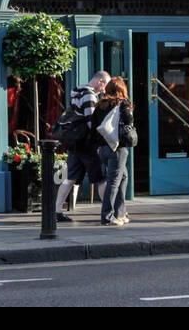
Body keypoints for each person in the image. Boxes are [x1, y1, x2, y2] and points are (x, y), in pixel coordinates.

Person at [54, 70, 109, 223]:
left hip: (75, 143)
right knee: (102, 178)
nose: (104, 90)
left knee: (70, 177)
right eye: (104, 86)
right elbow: (91, 120)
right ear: (100, 81)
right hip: (87, 143)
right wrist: (99, 140)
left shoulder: (77, 92)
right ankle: (108, 212)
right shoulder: (89, 95)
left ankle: (56, 211)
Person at [92, 77, 135, 226]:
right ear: (122, 89)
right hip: (117, 149)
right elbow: (129, 122)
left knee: (123, 177)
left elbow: (94, 128)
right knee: (114, 182)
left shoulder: (100, 105)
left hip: (103, 149)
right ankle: (107, 216)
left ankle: (120, 213)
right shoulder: (122, 104)